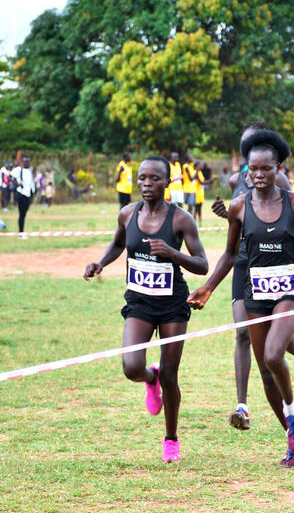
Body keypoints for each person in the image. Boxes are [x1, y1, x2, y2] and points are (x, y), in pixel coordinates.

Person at [190, 129, 294, 467]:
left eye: (266, 169)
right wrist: (209, 287)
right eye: (252, 170)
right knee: (266, 371)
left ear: (279, 168)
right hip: (255, 291)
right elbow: (229, 254)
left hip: (289, 290)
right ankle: (291, 436)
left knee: (273, 354)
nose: (258, 175)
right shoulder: (239, 208)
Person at [84, 156, 208, 463]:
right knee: (131, 366)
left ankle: (171, 440)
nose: (146, 184)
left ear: (167, 183)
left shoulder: (180, 220)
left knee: (170, 373)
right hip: (139, 302)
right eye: (142, 179)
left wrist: (171, 253)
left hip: (172, 306)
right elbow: (117, 245)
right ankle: (148, 380)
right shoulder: (128, 213)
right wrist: (100, 263)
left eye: (154, 179)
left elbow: (203, 264)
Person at [210, 124, 294, 432]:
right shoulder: (234, 182)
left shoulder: (279, 181)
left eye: (261, 163)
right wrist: (224, 214)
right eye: (248, 159)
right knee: (244, 331)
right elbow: (237, 224)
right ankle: (242, 404)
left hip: (278, 266)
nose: (254, 170)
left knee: (272, 344)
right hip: (245, 263)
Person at [14, 157, 36, 238]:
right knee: (21, 214)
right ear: (23, 162)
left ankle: (21, 232)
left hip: (28, 194)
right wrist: (18, 184)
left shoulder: (30, 171)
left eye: (28, 162)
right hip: (21, 193)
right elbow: (9, 176)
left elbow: (31, 183)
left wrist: (33, 192)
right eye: (25, 162)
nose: (27, 163)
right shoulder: (19, 170)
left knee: (24, 214)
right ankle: (21, 233)